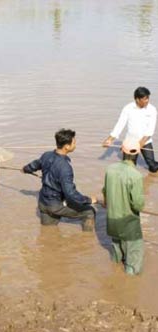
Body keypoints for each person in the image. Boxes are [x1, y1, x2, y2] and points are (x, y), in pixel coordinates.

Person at [22, 129, 97, 231]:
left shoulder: (46, 155)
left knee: (48, 233)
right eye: (74, 143)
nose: (75, 145)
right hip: (55, 205)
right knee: (89, 212)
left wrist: (25, 169)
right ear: (67, 146)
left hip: (43, 204)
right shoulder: (65, 167)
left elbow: (34, 165)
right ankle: (88, 241)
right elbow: (70, 193)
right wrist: (89, 200)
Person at [102, 138, 145, 275]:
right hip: (128, 222)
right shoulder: (136, 175)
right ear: (138, 154)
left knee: (117, 252)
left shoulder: (110, 169)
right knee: (134, 256)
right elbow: (138, 204)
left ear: (122, 151)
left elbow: (105, 192)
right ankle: (129, 285)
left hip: (112, 219)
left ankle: (115, 274)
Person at [103, 87, 158, 173]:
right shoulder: (128, 108)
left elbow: (150, 130)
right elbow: (120, 124)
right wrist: (109, 139)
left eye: (148, 98)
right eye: (144, 99)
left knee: (153, 167)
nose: (147, 101)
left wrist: (139, 145)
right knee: (128, 168)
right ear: (137, 99)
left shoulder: (152, 110)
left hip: (145, 141)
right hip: (130, 142)